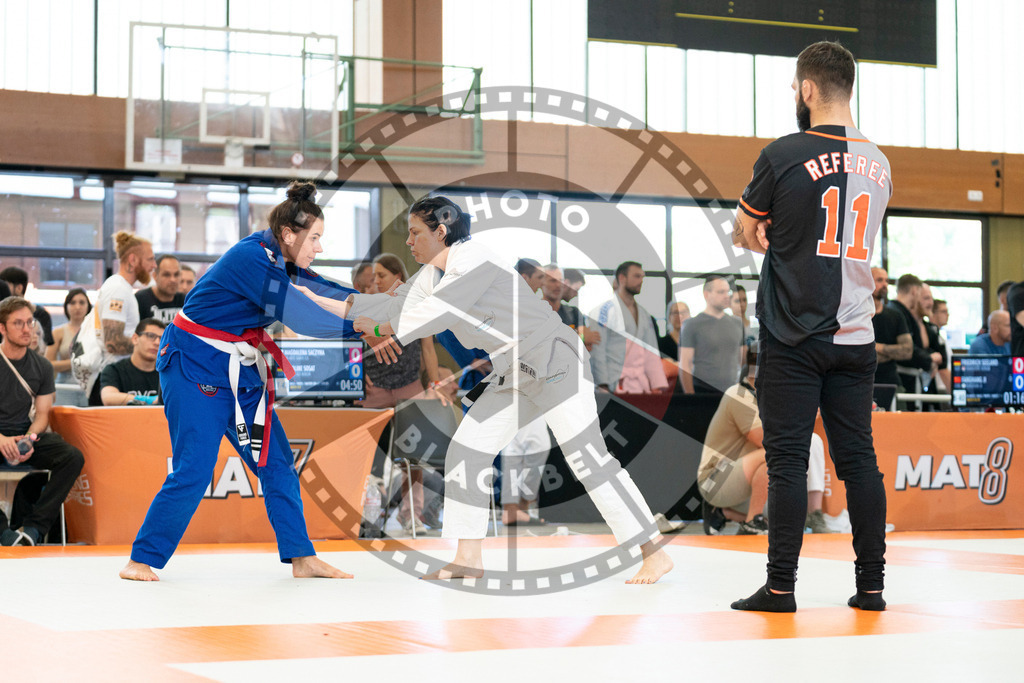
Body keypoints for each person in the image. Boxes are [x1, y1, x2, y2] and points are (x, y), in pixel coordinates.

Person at [298, 195, 674, 583]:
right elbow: (388, 306)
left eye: (414, 233)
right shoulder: (430, 275)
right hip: (512, 370)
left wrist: (379, 329)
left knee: (588, 459)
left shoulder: (475, 258)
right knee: (468, 450)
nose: (408, 241)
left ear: (440, 232)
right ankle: (468, 558)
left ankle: (653, 551)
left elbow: (434, 314)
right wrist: (315, 299)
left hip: (554, 359)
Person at [119, 181, 397, 582]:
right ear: (288, 234)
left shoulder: (281, 260)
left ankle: (301, 557)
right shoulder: (251, 259)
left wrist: (383, 307)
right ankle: (140, 560)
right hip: (193, 366)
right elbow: (302, 316)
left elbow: (323, 289)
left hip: (239, 369)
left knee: (277, 462)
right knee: (194, 469)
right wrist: (365, 328)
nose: (319, 248)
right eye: (314, 238)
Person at [731, 41, 890, 612]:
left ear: (807, 89)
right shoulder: (881, 163)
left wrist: (761, 232)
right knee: (859, 461)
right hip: (856, 335)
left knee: (789, 462)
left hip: (793, 334)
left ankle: (781, 588)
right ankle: (871, 587)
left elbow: (744, 231)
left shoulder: (782, 154)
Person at [698, 352, 829, 536]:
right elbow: (766, 441)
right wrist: (801, 418)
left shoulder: (774, 396)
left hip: (748, 479)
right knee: (777, 454)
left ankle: (814, 514)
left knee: (813, 441)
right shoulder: (738, 394)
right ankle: (753, 521)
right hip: (716, 480)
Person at [365, 252, 447, 536]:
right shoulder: (369, 305)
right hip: (374, 389)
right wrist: (358, 375)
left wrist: (434, 384)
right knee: (371, 457)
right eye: (374, 276)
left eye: (381, 275)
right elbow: (351, 344)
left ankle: (411, 515)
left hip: (410, 387)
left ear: (397, 276)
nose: (376, 281)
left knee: (413, 458)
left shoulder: (419, 305)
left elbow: (428, 350)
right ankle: (368, 516)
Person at [0, 296, 84, 546]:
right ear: (2, 328)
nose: (27, 329)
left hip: (24, 434)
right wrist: (1, 439)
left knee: (72, 457)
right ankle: (3, 532)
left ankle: (34, 529)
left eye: (30, 322)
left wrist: (29, 439)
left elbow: (42, 414)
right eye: (18, 323)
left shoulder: (43, 366)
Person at [87, 232, 155, 406]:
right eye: (150, 259)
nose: (153, 265)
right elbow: (113, 342)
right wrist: (150, 347)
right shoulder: (118, 290)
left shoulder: (122, 288)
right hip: (109, 378)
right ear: (133, 260)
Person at [589, 261, 669, 395]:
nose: (641, 281)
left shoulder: (644, 314)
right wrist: (602, 384)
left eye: (642, 277)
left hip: (639, 386)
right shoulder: (604, 311)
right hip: (612, 383)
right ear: (622, 278)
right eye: (637, 276)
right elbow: (598, 350)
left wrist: (657, 384)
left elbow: (651, 352)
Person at [679, 275, 745, 394]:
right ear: (706, 295)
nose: (726, 296)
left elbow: (743, 361)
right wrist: (690, 397)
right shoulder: (691, 325)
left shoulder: (738, 323)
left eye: (728, 292)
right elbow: (685, 365)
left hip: (732, 392)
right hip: (703, 391)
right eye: (721, 292)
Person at [888, 274, 939, 395]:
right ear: (915, 291)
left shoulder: (901, 313)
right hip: (901, 378)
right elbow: (907, 349)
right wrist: (929, 359)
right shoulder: (896, 313)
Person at [99, 318, 165, 406]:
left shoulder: (166, 373)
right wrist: (148, 400)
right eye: (151, 336)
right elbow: (108, 398)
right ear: (135, 338)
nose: (157, 342)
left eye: (162, 339)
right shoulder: (114, 370)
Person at [870, 267, 912, 390]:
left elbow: (907, 351)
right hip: (862, 381)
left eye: (887, 281)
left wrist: (877, 347)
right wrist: (891, 353)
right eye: (879, 280)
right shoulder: (857, 316)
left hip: (891, 381)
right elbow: (856, 353)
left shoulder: (895, 316)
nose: (885, 285)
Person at [0, 266, 52, 353]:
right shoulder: (2, 314)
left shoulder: (40, 314)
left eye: (6, 285)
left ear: (19, 288)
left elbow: (46, 348)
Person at [46, 288, 92, 382]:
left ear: (88, 306)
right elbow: (47, 364)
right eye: (73, 303)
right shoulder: (58, 332)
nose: (77, 307)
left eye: (82, 302)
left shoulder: (96, 332)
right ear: (66, 306)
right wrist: (74, 363)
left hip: (90, 384)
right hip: (65, 385)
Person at [135, 254, 186, 324]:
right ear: (155, 276)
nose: (173, 280)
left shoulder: (185, 301)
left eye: (176, 274)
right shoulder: (140, 299)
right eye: (167, 275)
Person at [561, 268, 601, 351]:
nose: (576, 294)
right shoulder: (544, 311)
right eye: (576, 289)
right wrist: (581, 338)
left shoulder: (573, 313)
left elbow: (587, 346)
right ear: (566, 283)